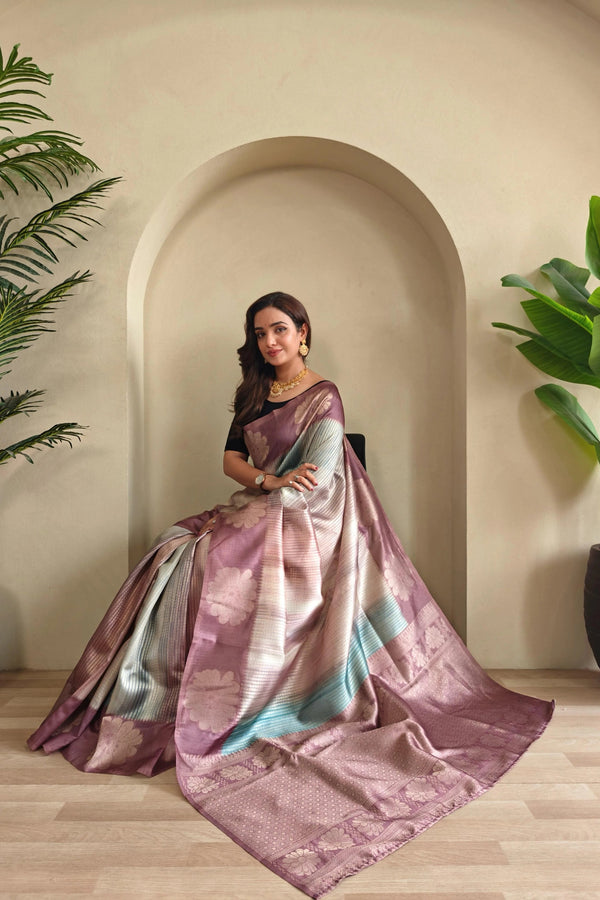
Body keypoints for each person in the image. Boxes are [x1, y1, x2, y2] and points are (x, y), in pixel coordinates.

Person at [28, 292, 553, 899]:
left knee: (212, 556)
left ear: (303, 333)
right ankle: (154, 700)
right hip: (262, 501)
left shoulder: (323, 396)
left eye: (279, 330)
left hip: (313, 519)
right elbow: (230, 459)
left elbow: (319, 482)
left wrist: (276, 496)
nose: (270, 341)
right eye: (260, 333)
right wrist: (266, 480)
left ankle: (240, 697)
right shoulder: (253, 393)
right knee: (175, 549)